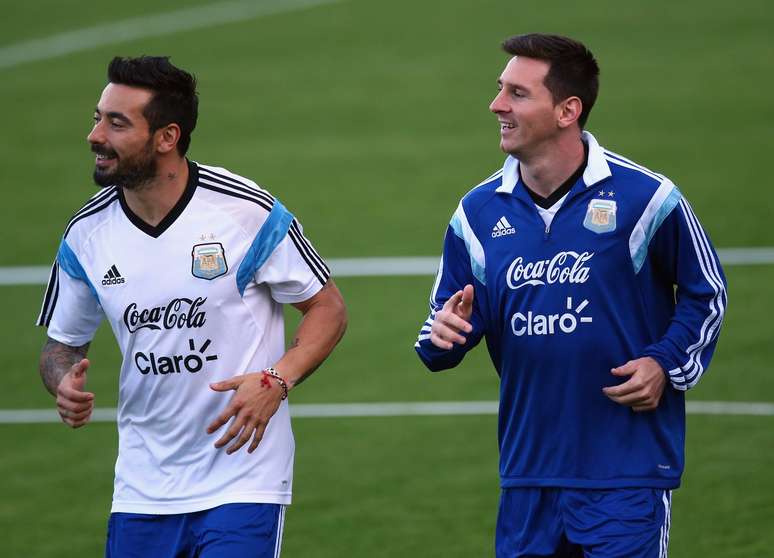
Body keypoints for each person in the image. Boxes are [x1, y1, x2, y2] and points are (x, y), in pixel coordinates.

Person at [414, 33, 727, 557]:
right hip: (526, 474)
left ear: (567, 110)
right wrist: (442, 335)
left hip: (625, 472)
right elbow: (441, 328)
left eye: (517, 93)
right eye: (500, 90)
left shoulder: (646, 199)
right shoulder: (477, 213)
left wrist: (665, 363)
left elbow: (707, 293)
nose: (496, 105)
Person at [36, 55, 347, 558]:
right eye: (98, 117)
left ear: (167, 137)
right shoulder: (86, 235)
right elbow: (61, 347)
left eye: (117, 123)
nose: (95, 135)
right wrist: (63, 381)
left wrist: (277, 380)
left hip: (243, 479)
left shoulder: (244, 212)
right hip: (141, 485)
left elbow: (328, 309)